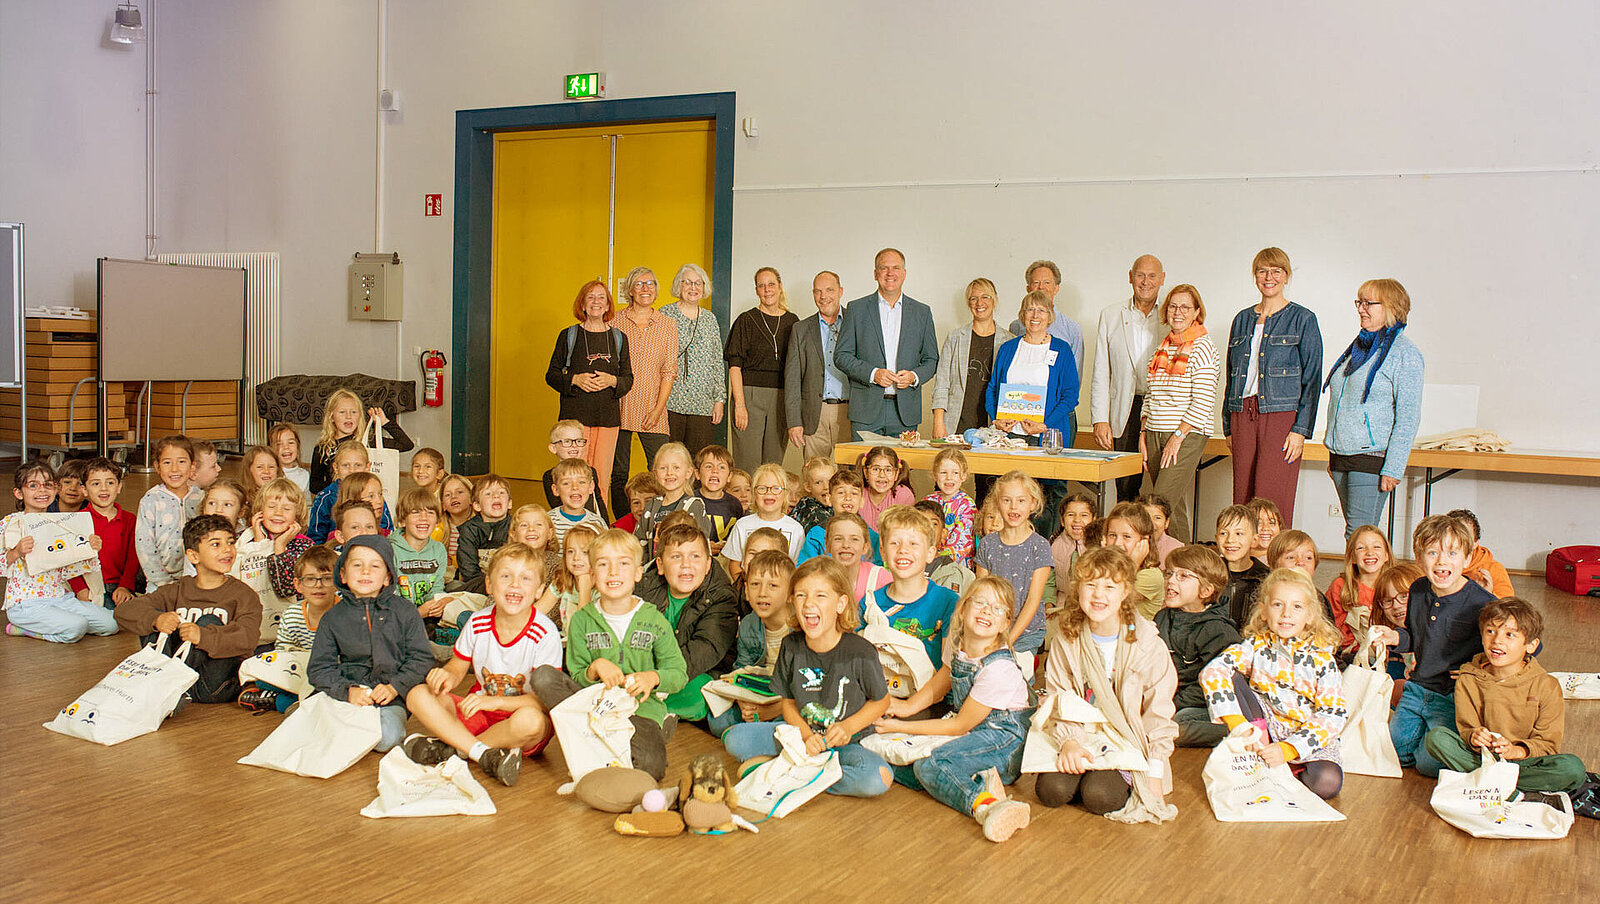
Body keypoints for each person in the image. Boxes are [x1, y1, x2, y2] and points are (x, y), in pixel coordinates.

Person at [878, 575, 1035, 842]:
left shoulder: (998, 668)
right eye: (980, 602)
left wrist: (900, 725)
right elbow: (942, 681)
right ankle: (982, 780)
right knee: (909, 764)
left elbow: (960, 725)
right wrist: (905, 707)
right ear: (963, 609)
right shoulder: (958, 642)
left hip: (1005, 742)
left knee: (932, 764)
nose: (987, 611)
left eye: (998, 608)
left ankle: (988, 806)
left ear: (1005, 624)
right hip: (975, 732)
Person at [722, 557, 894, 798]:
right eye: (801, 595)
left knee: (878, 778)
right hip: (800, 735)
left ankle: (788, 771)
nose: (809, 603)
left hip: (845, 745)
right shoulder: (790, 645)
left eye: (820, 596)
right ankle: (810, 770)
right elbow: (788, 703)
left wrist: (848, 727)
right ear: (792, 601)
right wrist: (805, 737)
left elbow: (882, 701)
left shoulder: (861, 651)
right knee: (734, 740)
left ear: (841, 603)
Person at [531, 529, 688, 780]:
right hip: (593, 705)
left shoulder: (654, 620)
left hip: (640, 710)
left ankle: (629, 739)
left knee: (651, 769)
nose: (613, 572)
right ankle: (599, 741)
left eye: (623, 563)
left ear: (638, 573)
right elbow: (578, 674)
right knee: (542, 677)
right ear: (592, 575)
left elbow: (678, 674)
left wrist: (652, 678)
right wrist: (595, 668)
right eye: (603, 564)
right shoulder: (582, 620)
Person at [402, 542, 562, 787]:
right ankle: (482, 753)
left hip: (520, 720)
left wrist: (496, 701)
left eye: (525, 578)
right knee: (418, 694)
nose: (515, 584)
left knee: (532, 721)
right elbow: (457, 666)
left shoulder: (545, 633)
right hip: (478, 712)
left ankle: (454, 749)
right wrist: (445, 677)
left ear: (539, 590)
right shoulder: (478, 622)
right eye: (506, 576)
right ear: (489, 584)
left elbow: (544, 702)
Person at [1036, 547, 1178, 821]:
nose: (1098, 595)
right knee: (1051, 791)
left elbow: (1158, 715)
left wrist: (1155, 772)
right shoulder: (1068, 638)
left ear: (1125, 592)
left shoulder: (1147, 644)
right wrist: (1069, 742)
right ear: (1078, 589)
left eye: (1110, 587)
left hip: (1127, 739)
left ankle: (1099, 778)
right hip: (1081, 732)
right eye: (1090, 585)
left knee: (1100, 796)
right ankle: (1087, 769)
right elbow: (1059, 696)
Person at [1200, 568, 1349, 799]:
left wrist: (1289, 749)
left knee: (1327, 783)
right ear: (1263, 611)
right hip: (1263, 726)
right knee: (1230, 673)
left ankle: (1284, 767)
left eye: (1297, 607)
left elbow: (1333, 714)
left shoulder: (1323, 659)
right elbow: (1212, 671)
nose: (1286, 614)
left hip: (1305, 733)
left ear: (1310, 615)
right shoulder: (1255, 645)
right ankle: (1256, 754)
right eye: (1278, 605)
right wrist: (1238, 724)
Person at [1422, 598, 1591, 800]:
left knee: (1572, 768)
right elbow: (1467, 729)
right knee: (1436, 738)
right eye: (1490, 631)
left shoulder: (1547, 685)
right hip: (1481, 758)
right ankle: (1515, 791)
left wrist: (1515, 751)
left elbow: (1548, 745)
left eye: (1510, 634)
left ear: (1531, 645)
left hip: (1524, 763)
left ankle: (1491, 784)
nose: (1497, 641)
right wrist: (1475, 737)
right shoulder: (1468, 678)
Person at [1372, 514, 1497, 777]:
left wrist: (1478, 669)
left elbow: (1518, 649)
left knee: (1428, 765)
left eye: (1452, 553)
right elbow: (1415, 636)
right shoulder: (1418, 590)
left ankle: (1444, 746)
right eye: (1432, 553)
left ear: (1467, 559)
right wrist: (1395, 637)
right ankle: (1423, 739)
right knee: (1394, 753)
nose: (1441, 561)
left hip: (1452, 695)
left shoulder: (1482, 602)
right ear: (1419, 559)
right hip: (1418, 688)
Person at [116, 515, 263, 705]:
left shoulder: (243, 595)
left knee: (208, 621)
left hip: (212, 687)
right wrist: (156, 619)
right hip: (177, 679)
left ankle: (165, 692)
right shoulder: (177, 590)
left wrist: (203, 636)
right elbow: (123, 611)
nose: (228, 549)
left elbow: (248, 638)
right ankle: (167, 688)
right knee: (154, 621)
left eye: (230, 542)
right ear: (193, 556)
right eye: (216, 544)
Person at [1223, 248, 1323, 525]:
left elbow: (1312, 379)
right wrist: (1228, 426)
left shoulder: (1303, 319)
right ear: (1255, 275)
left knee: (1272, 499)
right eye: (1262, 271)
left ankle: (1276, 553)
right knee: (1242, 499)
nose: (1269, 277)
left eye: (1276, 271)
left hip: (1281, 417)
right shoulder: (1241, 319)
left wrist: (1300, 430)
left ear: (1286, 276)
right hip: (1242, 414)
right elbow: (1231, 376)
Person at [308, 534, 434, 753]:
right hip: (349, 692)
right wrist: (347, 691)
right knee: (306, 721)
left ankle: (341, 731)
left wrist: (395, 687)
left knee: (388, 738)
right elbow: (319, 668)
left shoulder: (405, 612)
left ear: (387, 577)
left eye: (375, 566)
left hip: (390, 696)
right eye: (357, 565)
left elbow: (422, 659)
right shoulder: (333, 618)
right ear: (343, 574)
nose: (365, 571)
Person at [1323, 278, 1424, 537]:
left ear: (1392, 307)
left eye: (1369, 303)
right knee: (1361, 535)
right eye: (1359, 302)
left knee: (1358, 535)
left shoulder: (1405, 354)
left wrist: (1393, 468)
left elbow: (1408, 417)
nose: (1361, 308)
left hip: (1372, 458)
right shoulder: (1359, 348)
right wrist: (1334, 450)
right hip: (1341, 456)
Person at [1138, 285, 1219, 542]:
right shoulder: (1163, 347)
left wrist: (1178, 436)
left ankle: (1154, 561)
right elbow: (1150, 394)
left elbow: (1203, 401)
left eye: (1185, 307)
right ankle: (1183, 558)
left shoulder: (1203, 348)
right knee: (1173, 505)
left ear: (1196, 312)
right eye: (1173, 306)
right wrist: (1143, 432)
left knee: (1158, 505)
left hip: (1185, 435)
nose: (1178, 312)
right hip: (1154, 431)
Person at [635, 522, 739, 722]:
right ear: (660, 565)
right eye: (676, 556)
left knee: (699, 694)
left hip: (696, 671)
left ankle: (644, 708)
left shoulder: (721, 597)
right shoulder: (644, 588)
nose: (686, 564)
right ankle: (647, 706)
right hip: (645, 668)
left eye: (695, 556)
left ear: (708, 565)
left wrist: (658, 677)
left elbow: (704, 650)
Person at [545, 279, 633, 511]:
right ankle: (571, 522)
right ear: (582, 304)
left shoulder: (619, 338)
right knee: (573, 478)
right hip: (575, 422)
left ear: (608, 305)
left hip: (608, 421)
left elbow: (628, 379)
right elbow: (551, 375)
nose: (596, 302)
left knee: (600, 479)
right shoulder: (569, 336)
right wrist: (575, 379)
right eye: (590, 297)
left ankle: (599, 523)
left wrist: (612, 381)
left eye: (601, 297)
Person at [4, 461, 116, 642]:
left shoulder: (61, 523)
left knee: (111, 623)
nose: (42, 490)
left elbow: (70, 568)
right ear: (19, 493)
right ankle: (24, 629)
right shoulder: (11, 524)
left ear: (56, 489)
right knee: (76, 627)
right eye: (33, 485)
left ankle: (61, 622)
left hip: (61, 597)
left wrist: (89, 548)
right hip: (26, 603)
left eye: (48, 485)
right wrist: (16, 552)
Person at [834, 248, 940, 440]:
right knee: (862, 460)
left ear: (904, 273)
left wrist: (914, 377)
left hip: (905, 412)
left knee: (902, 461)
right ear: (875, 274)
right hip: (865, 410)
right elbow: (841, 356)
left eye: (896, 268)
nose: (890, 273)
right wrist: (873, 374)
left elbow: (931, 359)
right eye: (884, 268)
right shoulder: (856, 309)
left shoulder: (922, 312)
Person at [1091, 254, 1168, 501]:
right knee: (1125, 485)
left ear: (1162, 279)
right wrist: (1100, 419)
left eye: (1152, 276)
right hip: (1125, 407)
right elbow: (1101, 371)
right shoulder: (1111, 315)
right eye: (1140, 275)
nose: (1146, 282)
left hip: (1161, 409)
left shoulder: (1172, 314)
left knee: (1164, 484)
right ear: (1130, 277)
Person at [610, 266, 679, 516]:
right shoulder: (613, 321)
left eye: (650, 283)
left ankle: (657, 521)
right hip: (618, 406)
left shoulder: (667, 325)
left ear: (656, 290)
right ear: (629, 289)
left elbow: (669, 371)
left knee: (662, 470)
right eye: (639, 284)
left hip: (653, 407)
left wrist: (658, 410)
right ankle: (622, 523)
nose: (645, 288)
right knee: (618, 473)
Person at [1155, 544, 1240, 747]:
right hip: (1168, 699)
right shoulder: (1162, 618)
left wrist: (1171, 705)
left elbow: (1211, 686)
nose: (1171, 580)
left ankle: (1243, 730)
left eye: (1183, 576)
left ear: (1206, 590)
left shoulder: (1219, 631)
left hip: (1202, 703)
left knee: (1178, 724)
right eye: (1170, 573)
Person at [238, 544, 339, 714]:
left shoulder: (345, 613)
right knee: (264, 675)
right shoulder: (292, 614)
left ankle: (280, 701)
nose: (318, 585)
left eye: (327, 578)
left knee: (328, 687)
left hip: (329, 672)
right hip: (298, 668)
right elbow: (283, 650)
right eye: (310, 579)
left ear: (338, 582)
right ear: (298, 585)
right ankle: (293, 696)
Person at [707, 548, 793, 736]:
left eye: (773, 585)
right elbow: (742, 668)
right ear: (746, 591)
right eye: (755, 584)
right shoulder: (748, 624)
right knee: (718, 722)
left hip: (790, 696)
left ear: (790, 593)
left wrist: (774, 708)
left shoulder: (800, 626)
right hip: (761, 689)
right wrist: (742, 700)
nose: (762, 593)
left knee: (785, 719)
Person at [863, 505, 961, 669]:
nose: (903, 550)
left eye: (913, 543)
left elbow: (948, 671)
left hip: (933, 685)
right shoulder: (869, 604)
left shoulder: (949, 602)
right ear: (883, 552)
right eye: (894, 543)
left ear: (930, 553)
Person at [726, 266, 798, 473]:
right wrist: (740, 405)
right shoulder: (746, 320)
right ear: (756, 290)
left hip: (781, 397)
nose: (767, 289)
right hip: (749, 396)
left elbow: (797, 367)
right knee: (747, 464)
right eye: (761, 285)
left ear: (780, 286)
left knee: (773, 465)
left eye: (771, 284)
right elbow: (734, 366)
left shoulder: (793, 322)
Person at [973, 471, 1052, 655]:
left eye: (1021, 501)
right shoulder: (987, 544)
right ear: (997, 503)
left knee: (1012, 668)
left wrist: (1007, 642)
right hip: (991, 626)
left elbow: (1033, 601)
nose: (1013, 507)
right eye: (1006, 500)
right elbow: (981, 592)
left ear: (1033, 504)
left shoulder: (1039, 546)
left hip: (1027, 632)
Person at [987, 290, 1080, 443]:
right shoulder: (1007, 348)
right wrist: (995, 419)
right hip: (1009, 435)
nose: (1035, 315)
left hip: (1045, 435)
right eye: (1030, 309)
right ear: (1022, 315)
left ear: (1050, 316)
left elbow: (1070, 395)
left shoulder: (1062, 350)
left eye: (1041, 310)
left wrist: (1044, 425)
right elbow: (992, 388)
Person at [931, 277, 1016, 443]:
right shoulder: (955, 338)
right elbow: (942, 383)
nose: (979, 303)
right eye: (973, 298)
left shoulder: (1009, 341)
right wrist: (938, 422)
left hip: (994, 426)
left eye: (985, 297)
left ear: (994, 300)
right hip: (956, 423)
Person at [786, 270, 853, 460]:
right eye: (818, 291)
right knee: (814, 472)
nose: (823, 296)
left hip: (850, 412)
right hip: (814, 413)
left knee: (851, 474)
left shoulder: (856, 322)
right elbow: (792, 379)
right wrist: (794, 422)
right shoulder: (800, 329)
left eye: (829, 290)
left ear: (840, 291)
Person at [661, 263, 726, 458]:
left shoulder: (710, 319)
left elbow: (717, 361)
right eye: (687, 282)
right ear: (678, 285)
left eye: (698, 283)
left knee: (698, 460)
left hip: (702, 403)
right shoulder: (665, 314)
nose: (693, 287)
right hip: (670, 400)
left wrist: (719, 399)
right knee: (670, 458)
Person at [308, 388, 413, 496]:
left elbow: (406, 444)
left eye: (353, 412)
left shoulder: (368, 442)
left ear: (360, 416)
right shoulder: (323, 448)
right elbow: (314, 485)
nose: (348, 416)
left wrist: (385, 422)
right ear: (331, 417)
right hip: (337, 500)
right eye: (342, 412)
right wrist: (339, 485)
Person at [68, 458, 141, 610]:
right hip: (89, 586)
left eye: (110, 483)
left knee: (135, 615)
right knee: (106, 619)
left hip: (118, 587)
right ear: (84, 490)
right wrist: (80, 590)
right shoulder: (76, 520)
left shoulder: (130, 520)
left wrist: (125, 586)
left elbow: (133, 558)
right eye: (96, 484)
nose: (104, 489)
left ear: (119, 487)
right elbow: (69, 560)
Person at [135, 435, 203, 588]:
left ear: (192, 466)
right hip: (159, 582)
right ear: (157, 467)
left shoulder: (201, 498)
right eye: (167, 462)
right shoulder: (150, 500)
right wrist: (163, 582)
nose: (174, 469)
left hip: (197, 579)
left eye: (181, 462)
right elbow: (144, 546)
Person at [1007, 259, 1085, 381]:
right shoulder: (1016, 327)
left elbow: (1074, 377)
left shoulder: (1072, 329)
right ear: (1028, 288)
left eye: (1047, 282)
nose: (1041, 287)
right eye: (1036, 282)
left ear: (1056, 288)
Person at [722, 463, 805, 574]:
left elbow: (798, 568)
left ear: (785, 494)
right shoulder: (742, 525)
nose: (769, 493)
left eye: (776, 488)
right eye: (762, 488)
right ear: (754, 493)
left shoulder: (796, 529)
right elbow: (735, 564)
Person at [1325, 525, 1392, 655]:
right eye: (1361, 548)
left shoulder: (1394, 587)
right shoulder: (1341, 586)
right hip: (1350, 653)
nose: (1370, 552)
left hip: (1388, 651)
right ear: (1353, 557)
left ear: (1387, 555)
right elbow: (1330, 627)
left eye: (1376, 547)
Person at [633, 442, 713, 543]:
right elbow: (639, 542)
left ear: (688, 472)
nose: (669, 473)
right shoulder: (651, 505)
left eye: (676, 468)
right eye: (663, 468)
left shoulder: (694, 505)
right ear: (655, 473)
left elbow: (701, 543)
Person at [1101, 502, 1164, 619]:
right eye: (1112, 535)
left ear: (1144, 541)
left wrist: (1134, 563)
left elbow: (1113, 601)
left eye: (1126, 537)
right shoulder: (1107, 568)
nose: (1117, 543)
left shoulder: (1151, 575)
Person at [453, 474, 512, 593]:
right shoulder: (469, 530)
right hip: (477, 584)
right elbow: (468, 569)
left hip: (509, 584)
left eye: (501, 493)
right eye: (488, 494)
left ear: (509, 503)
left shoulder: (515, 527)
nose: (496, 495)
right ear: (477, 505)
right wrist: (490, 586)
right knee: (453, 588)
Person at [542, 420, 609, 523]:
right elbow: (557, 505)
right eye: (567, 442)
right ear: (553, 448)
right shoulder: (550, 476)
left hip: (593, 524)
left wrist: (605, 524)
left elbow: (598, 502)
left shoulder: (591, 471)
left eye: (579, 441)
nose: (574, 445)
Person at [1214, 505, 1269, 627]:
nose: (1230, 540)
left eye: (1239, 533)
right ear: (1216, 538)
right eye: (1223, 533)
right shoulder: (1209, 574)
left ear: (1254, 540)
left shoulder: (1266, 578)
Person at [307, 441, 372, 544]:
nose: (352, 470)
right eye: (345, 465)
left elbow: (385, 530)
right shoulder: (325, 498)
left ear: (367, 467)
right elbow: (315, 539)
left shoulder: (373, 495)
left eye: (358, 465)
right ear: (336, 468)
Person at [925, 448, 977, 568]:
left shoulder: (967, 505)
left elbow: (962, 544)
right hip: (928, 559)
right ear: (934, 475)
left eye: (955, 473)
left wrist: (937, 559)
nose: (949, 477)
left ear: (963, 476)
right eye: (943, 472)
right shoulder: (928, 500)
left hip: (956, 565)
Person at [1448, 508, 1514, 599]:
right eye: (1452, 536)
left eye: (1465, 537)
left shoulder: (1493, 569)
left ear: (1476, 543)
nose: (1457, 543)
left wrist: (1488, 595)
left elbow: (1508, 605)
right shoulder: (1434, 565)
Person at [548, 458, 613, 548]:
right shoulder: (548, 521)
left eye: (581, 482)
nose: (575, 487)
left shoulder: (598, 523)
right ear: (556, 489)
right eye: (566, 483)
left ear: (591, 487)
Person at [693, 444, 742, 554]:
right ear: (697, 474)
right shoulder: (689, 501)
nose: (715, 471)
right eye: (708, 466)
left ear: (729, 476)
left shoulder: (735, 505)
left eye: (721, 467)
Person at [1137, 495, 1182, 567]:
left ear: (1166, 523)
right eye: (1145, 517)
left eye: (1157, 518)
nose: (1151, 523)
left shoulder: (1176, 549)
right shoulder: (1128, 543)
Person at [268, 424, 311, 496]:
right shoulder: (269, 473)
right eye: (279, 444)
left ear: (297, 446)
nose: (286, 447)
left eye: (291, 443)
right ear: (270, 448)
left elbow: (307, 501)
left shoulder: (304, 475)